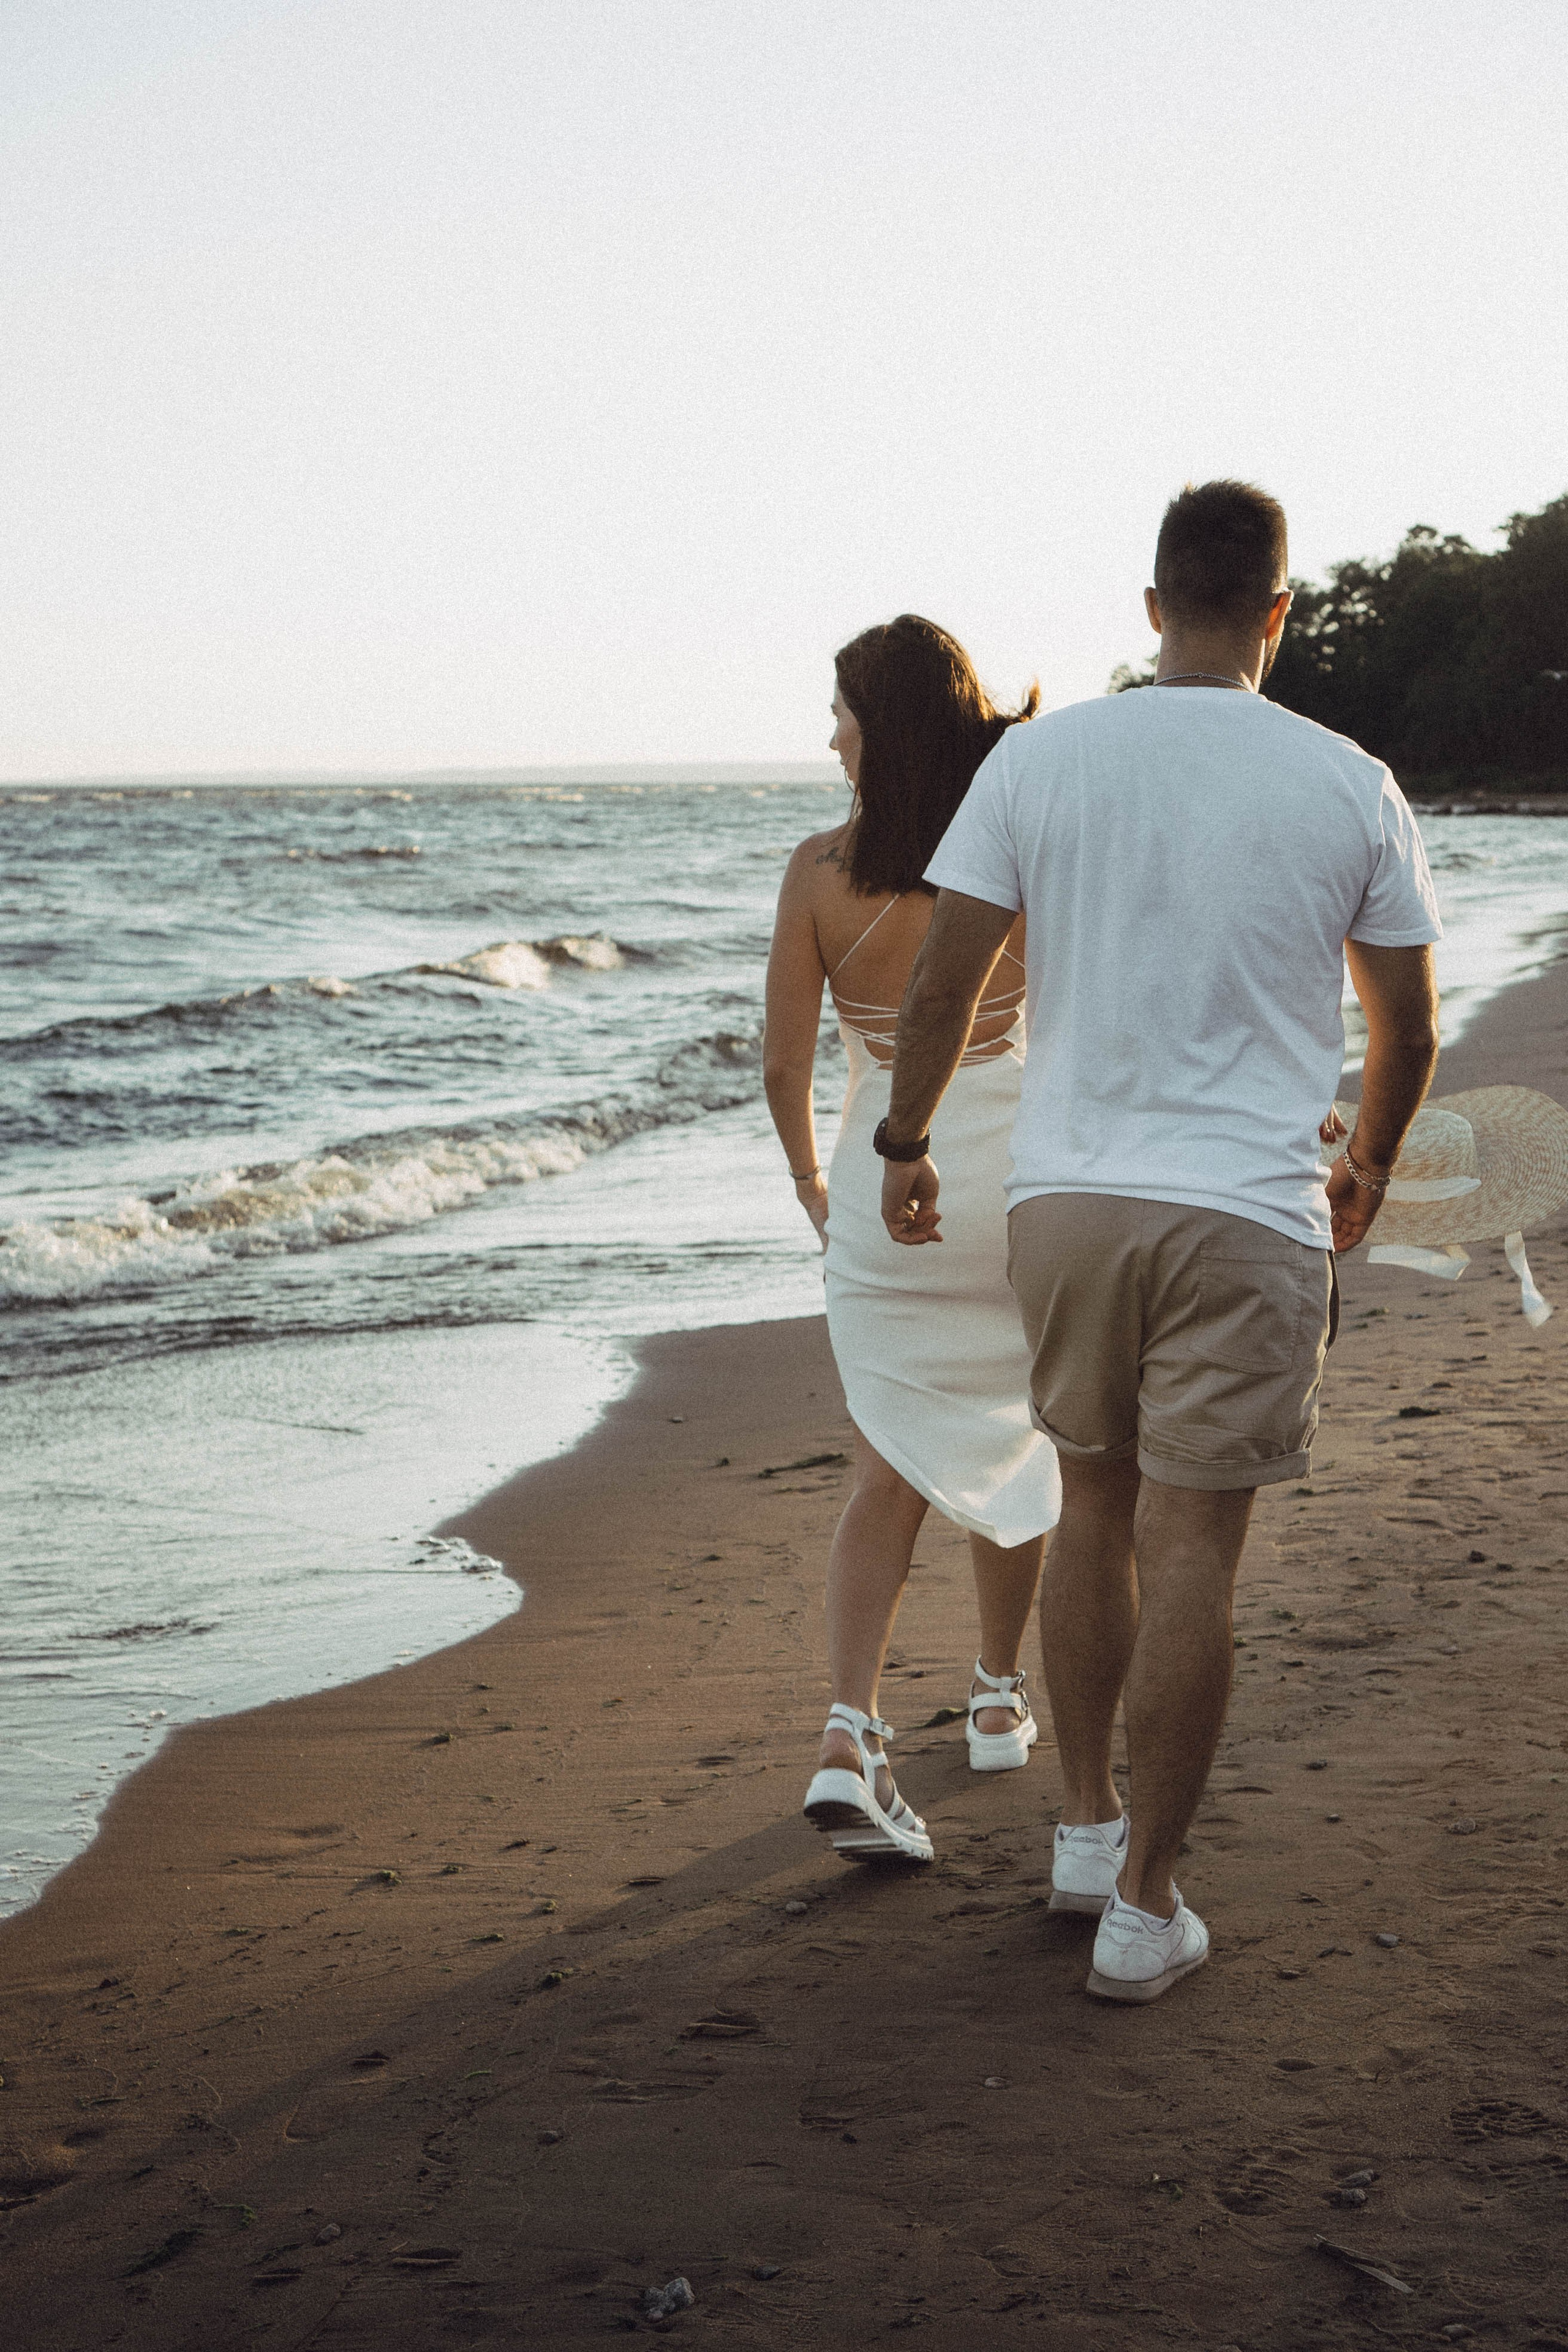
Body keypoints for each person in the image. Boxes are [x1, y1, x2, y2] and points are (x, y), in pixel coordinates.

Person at [878, 483, 1442, 1997]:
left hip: (1066, 1204)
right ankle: (1143, 1907)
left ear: (1147, 608)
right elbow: (1407, 1022)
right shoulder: (1349, 783)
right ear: (1277, 608)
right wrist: (1366, 1170)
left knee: (1091, 1506)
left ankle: (1079, 1830)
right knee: (1194, 1540)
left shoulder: (1041, 761)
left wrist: (902, 1142)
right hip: (1246, 1209)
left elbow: (944, 984)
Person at [764, 615, 1062, 1864]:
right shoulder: (1020, 858)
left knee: (885, 1461)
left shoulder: (816, 874)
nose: (828, 734)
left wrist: (809, 1187)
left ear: (879, 729)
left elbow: (783, 1065)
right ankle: (996, 1698)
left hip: (885, 1183)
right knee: (1027, 1429)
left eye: (840, 712)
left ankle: (848, 1734)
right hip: (1016, 1181)